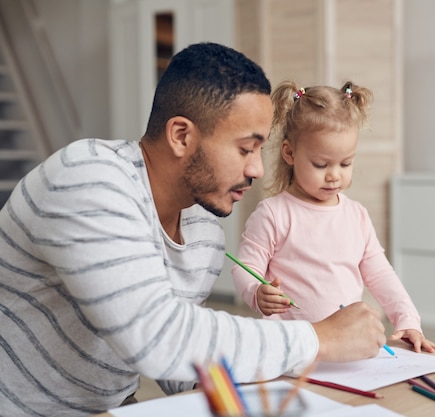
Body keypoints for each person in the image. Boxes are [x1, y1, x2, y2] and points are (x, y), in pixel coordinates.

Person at [0, 43, 386, 416]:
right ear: (181, 135)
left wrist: (277, 385)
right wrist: (319, 338)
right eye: (245, 149)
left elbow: (181, 365)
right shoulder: (88, 178)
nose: (258, 170)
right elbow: (158, 337)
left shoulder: (203, 233)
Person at [232, 80, 435, 354]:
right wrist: (257, 291)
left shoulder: (356, 215)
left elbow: (380, 274)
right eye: (321, 164)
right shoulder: (273, 214)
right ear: (290, 153)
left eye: (346, 163)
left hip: (348, 350)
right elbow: (244, 267)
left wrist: (408, 320)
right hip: (293, 350)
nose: (335, 175)